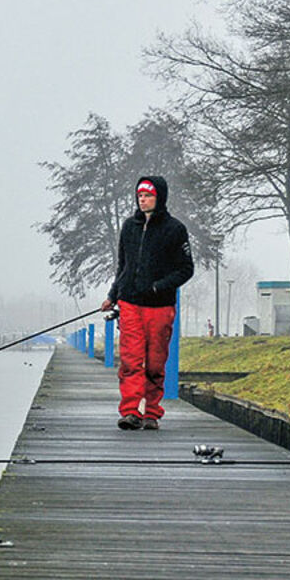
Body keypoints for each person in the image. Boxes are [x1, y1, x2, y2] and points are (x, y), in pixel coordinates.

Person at [100, 175, 194, 430]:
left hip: (160, 306)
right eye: (140, 195)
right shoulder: (129, 227)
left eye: (148, 195)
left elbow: (186, 269)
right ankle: (130, 411)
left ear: (159, 197)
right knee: (131, 360)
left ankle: (151, 412)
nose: (143, 200)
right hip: (130, 303)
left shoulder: (175, 229)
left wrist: (158, 286)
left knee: (154, 362)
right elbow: (124, 266)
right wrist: (112, 295)